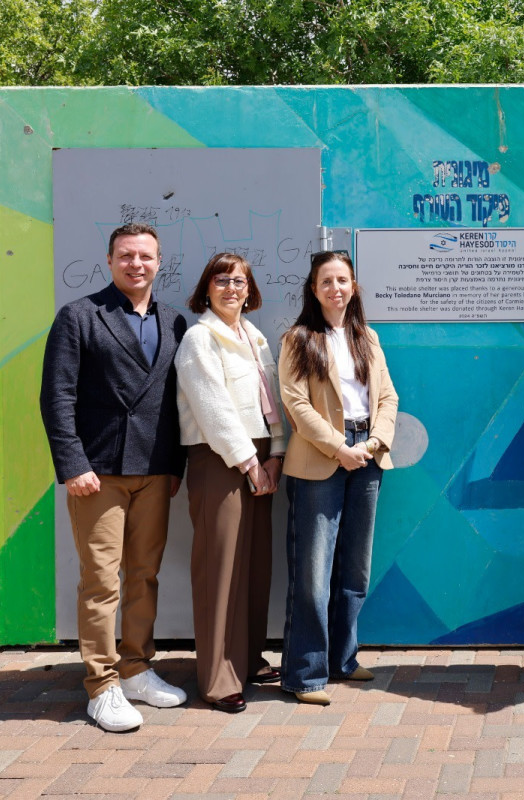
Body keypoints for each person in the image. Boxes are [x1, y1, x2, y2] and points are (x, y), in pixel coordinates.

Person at [40, 223, 188, 732]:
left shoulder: (175, 322)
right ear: (109, 261)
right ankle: (101, 685)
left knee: (144, 575)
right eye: (126, 256)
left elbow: (176, 402)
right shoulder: (80, 316)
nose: (136, 264)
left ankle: (136, 668)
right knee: (101, 582)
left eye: (146, 256)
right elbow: (57, 396)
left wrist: (176, 466)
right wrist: (73, 464)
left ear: (159, 261)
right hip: (97, 473)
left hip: (154, 469)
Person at [278, 251, 399, 706]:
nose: (335, 288)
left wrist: (372, 444)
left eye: (342, 280)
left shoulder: (367, 337)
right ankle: (304, 674)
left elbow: (387, 396)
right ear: (314, 289)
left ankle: (343, 659)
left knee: (355, 567)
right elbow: (296, 404)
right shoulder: (297, 339)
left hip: (367, 455)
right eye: (326, 281)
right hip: (320, 459)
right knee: (313, 571)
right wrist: (338, 447)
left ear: (353, 286)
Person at [175, 253, 286, 714]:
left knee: (255, 565)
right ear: (207, 288)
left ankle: (248, 659)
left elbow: (271, 400)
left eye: (239, 281)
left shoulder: (255, 336)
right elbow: (213, 408)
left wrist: (276, 454)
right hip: (221, 460)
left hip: (261, 457)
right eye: (221, 280)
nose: (231, 288)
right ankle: (218, 679)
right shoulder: (200, 338)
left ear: (249, 289)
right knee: (220, 570)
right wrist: (249, 462)